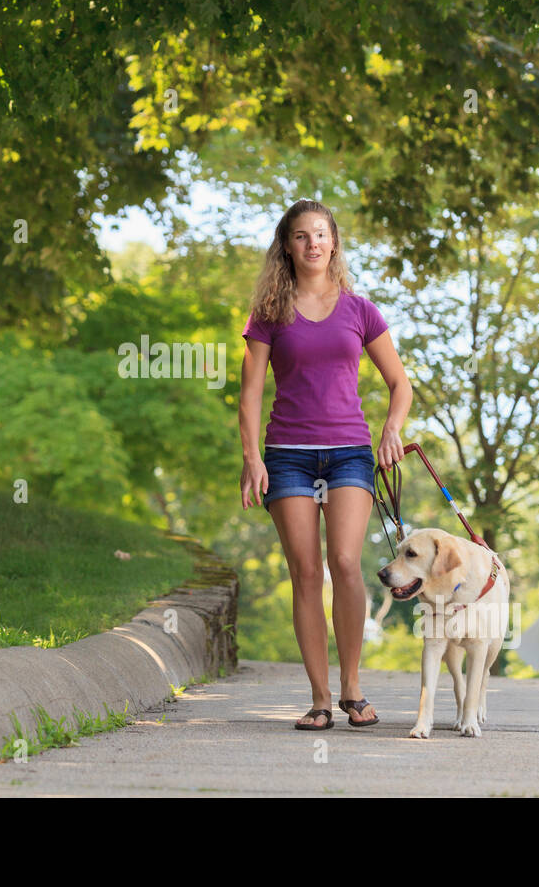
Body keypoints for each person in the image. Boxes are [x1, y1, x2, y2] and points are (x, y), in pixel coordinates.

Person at [238, 198, 412, 730]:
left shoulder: (360, 310)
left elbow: (400, 384)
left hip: (349, 453)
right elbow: (249, 395)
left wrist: (391, 429)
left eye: (320, 234)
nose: (312, 243)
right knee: (306, 572)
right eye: (300, 236)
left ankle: (353, 689)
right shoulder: (269, 313)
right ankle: (318, 696)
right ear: (286, 247)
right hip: (287, 454)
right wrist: (251, 459)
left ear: (333, 243)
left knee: (343, 560)